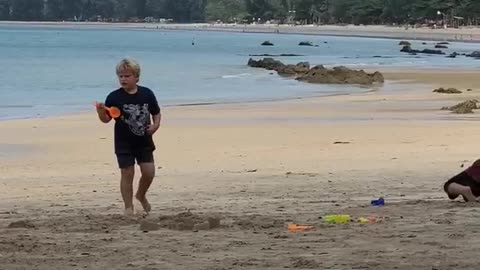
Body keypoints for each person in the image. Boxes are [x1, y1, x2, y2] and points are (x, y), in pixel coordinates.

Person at [96, 58, 161, 216]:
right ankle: (128, 207)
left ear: (136, 77)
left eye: (127, 76)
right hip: (123, 143)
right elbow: (106, 119)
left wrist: (155, 126)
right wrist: (100, 111)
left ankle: (141, 195)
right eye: (120, 76)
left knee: (149, 172)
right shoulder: (114, 97)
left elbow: (156, 113)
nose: (123, 79)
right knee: (127, 173)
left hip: (144, 141)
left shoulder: (147, 94)